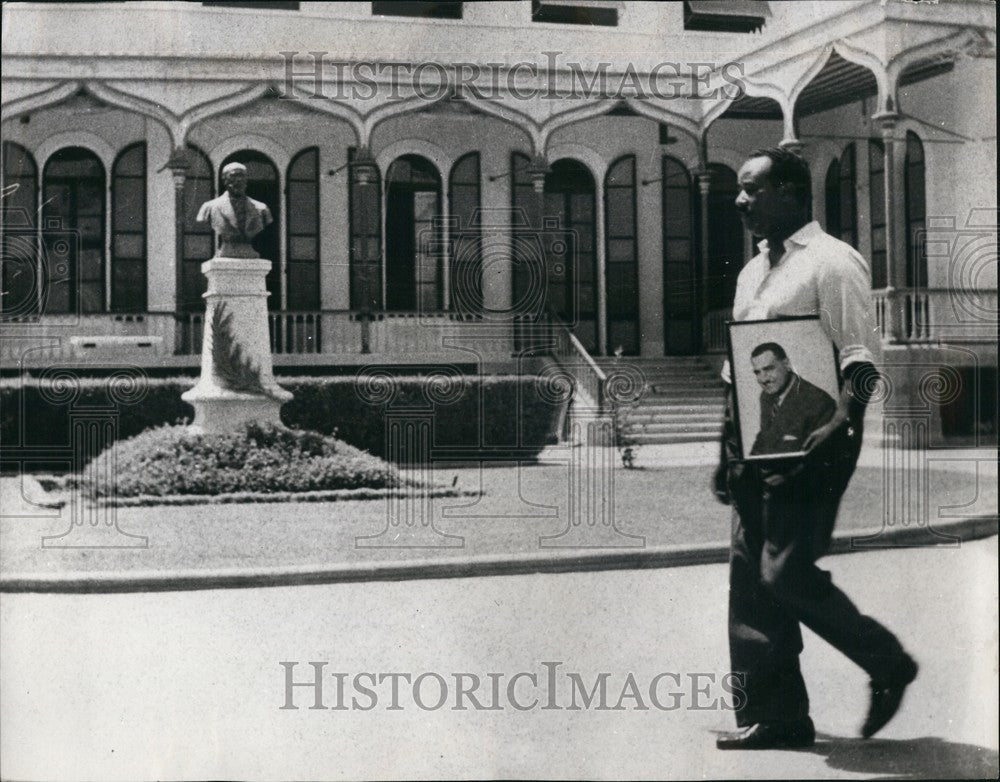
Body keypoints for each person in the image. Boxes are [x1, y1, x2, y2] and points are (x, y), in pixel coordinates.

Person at [712, 147, 917, 750]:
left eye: (752, 189)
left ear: (791, 192)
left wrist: (845, 421)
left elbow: (861, 355)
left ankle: (887, 662)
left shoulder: (832, 261)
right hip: (755, 438)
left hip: (817, 437)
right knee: (751, 575)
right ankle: (777, 716)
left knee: (785, 571)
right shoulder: (753, 272)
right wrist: (725, 445)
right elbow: (740, 366)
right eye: (740, 190)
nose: (740, 200)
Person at [748, 342, 836, 457]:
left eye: (768, 369)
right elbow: (765, 438)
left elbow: (819, 457)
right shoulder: (766, 397)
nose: (763, 379)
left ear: (787, 364)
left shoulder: (819, 402)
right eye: (757, 372)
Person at [196, 161, 273, 258]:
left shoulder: (262, 209)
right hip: (226, 251)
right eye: (233, 176)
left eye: (242, 176)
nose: (239, 180)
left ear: (246, 180)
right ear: (224, 180)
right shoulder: (210, 207)